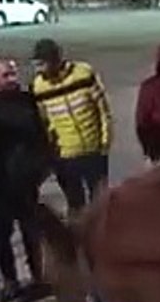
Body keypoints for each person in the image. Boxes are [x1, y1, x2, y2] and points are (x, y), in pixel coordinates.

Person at [0, 60, 52, 298]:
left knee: (31, 231)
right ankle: (10, 281)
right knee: (0, 235)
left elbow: (41, 134)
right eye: (5, 75)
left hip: (26, 179)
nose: (11, 78)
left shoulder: (28, 100)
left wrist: (42, 166)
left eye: (13, 73)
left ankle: (39, 275)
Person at [30, 39, 112, 213]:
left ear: (54, 59)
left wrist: (105, 142)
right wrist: (52, 152)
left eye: (42, 64)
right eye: (36, 64)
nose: (39, 69)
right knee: (75, 205)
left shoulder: (83, 73)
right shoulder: (38, 87)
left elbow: (103, 109)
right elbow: (45, 121)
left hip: (93, 150)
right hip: (65, 156)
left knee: (101, 203)